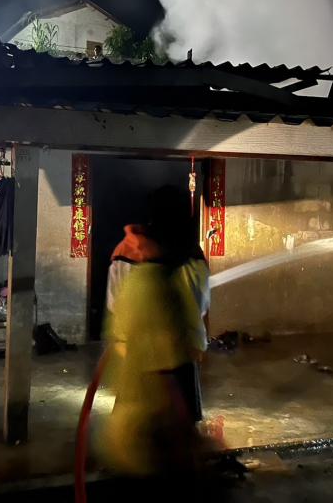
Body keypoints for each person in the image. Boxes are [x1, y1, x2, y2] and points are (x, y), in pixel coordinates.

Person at [100, 185, 210, 477]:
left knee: (138, 441)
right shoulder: (190, 256)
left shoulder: (127, 253)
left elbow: (114, 306)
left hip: (134, 361)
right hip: (176, 363)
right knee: (171, 446)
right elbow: (201, 305)